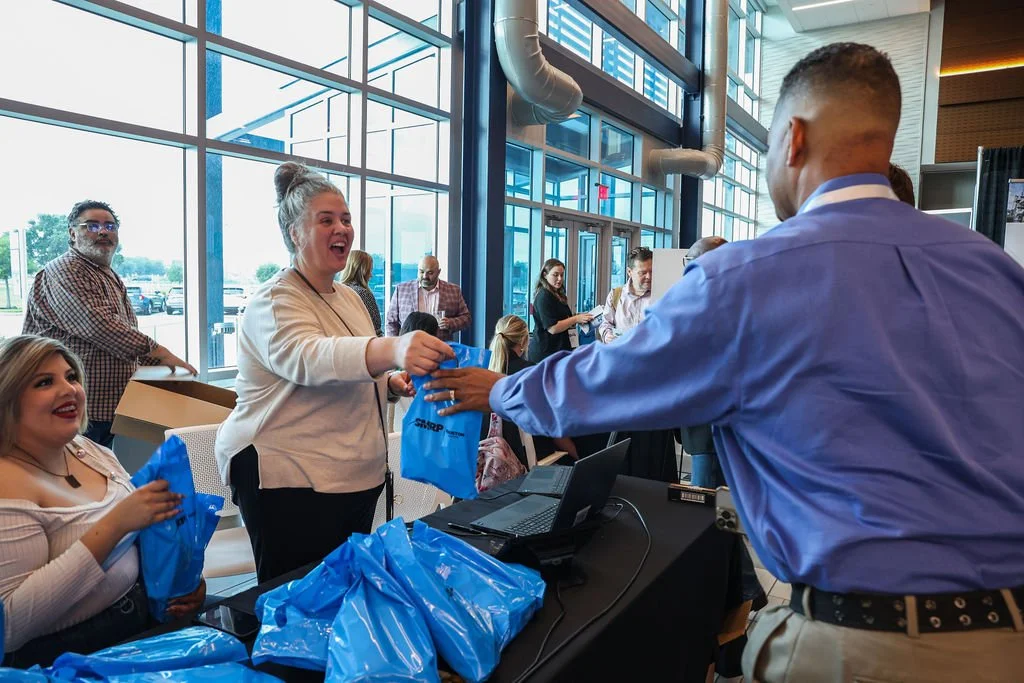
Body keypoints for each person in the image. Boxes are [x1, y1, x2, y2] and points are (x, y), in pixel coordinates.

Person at [423, 43, 1024, 682]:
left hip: (871, 648)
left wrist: (506, 388)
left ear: (792, 140)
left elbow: (611, 375)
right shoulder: (993, 270)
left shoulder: (750, 276)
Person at [215, 162, 453, 583]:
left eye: (346, 219)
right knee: (297, 603)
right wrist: (395, 347)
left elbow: (354, 364)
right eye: (326, 220)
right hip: (288, 481)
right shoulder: (273, 300)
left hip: (352, 479)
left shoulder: (349, 298)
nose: (341, 228)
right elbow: (311, 358)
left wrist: (390, 383)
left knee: (345, 597)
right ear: (295, 233)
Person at [0, 335, 205, 668]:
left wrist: (185, 584)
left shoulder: (91, 451)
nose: (69, 389)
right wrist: (116, 524)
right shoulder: (6, 485)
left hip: (143, 616)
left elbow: (144, 539)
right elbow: (10, 626)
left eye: (71, 377)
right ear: (7, 400)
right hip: (70, 658)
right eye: (44, 382)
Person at [22, 201, 196, 449]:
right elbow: (99, 326)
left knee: (98, 478)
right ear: (72, 234)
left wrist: (168, 368)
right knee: (69, 479)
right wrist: (161, 354)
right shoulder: (65, 269)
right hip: (67, 406)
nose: (103, 231)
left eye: (110, 226)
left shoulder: (106, 274)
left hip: (103, 407)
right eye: (91, 226)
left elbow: (122, 336)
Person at [486, 315, 576, 467]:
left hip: (493, 457)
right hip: (529, 457)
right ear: (523, 341)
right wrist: (576, 455)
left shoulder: (483, 373)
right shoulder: (531, 373)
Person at [679, 236, 728, 489]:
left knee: (705, 497)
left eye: (690, 261)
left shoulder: (698, 305)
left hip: (706, 420)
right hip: (726, 423)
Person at [385, 255, 470, 342]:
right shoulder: (402, 290)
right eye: (421, 272)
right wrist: (395, 345)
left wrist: (450, 323)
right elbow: (391, 322)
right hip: (408, 347)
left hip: (439, 348)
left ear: (438, 272)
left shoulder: (453, 290)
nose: (425, 276)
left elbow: (466, 318)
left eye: (430, 273)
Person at [529, 258, 594, 363]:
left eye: (562, 275)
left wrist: (578, 317)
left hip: (559, 350)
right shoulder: (544, 296)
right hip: (546, 353)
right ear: (545, 275)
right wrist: (575, 319)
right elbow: (553, 328)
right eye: (555, 275)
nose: (559, 279)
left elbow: (562, 317)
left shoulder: (557, 294)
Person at [599, 246, 653, 343]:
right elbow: (606, 323)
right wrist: (607, 335)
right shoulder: (616, 295)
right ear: (629, 272)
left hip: (650, 355)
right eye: (643, 273)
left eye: (651, 271)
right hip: (621, 354)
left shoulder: (661, 296)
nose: (648, 277)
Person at [339, 250, 383, 337]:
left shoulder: (338, 292)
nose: (371, 275)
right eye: (369, 270)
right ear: (362, 271)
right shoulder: (363, 294)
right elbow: (376, 328)